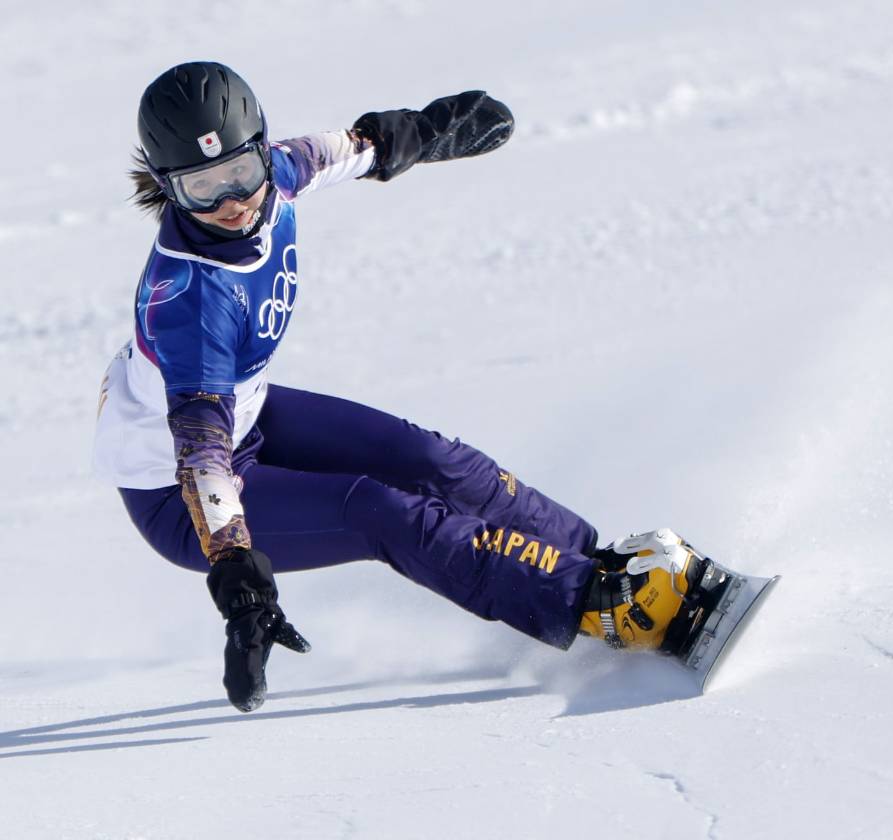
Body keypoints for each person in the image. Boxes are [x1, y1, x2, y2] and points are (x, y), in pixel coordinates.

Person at [94, 61, 710, 712]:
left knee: (427, 460)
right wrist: (237, 573)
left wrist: (420, 133)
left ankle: (595, 564)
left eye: (241, 175)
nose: (231, 203)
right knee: (378, 513)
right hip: (180, 494)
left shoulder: (279, 171)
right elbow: (200, 454)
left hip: (250, 414)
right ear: (168, 188)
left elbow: (353, 148)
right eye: (201, 189)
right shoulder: (192, 301)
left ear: (261, 152)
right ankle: (591, 606)